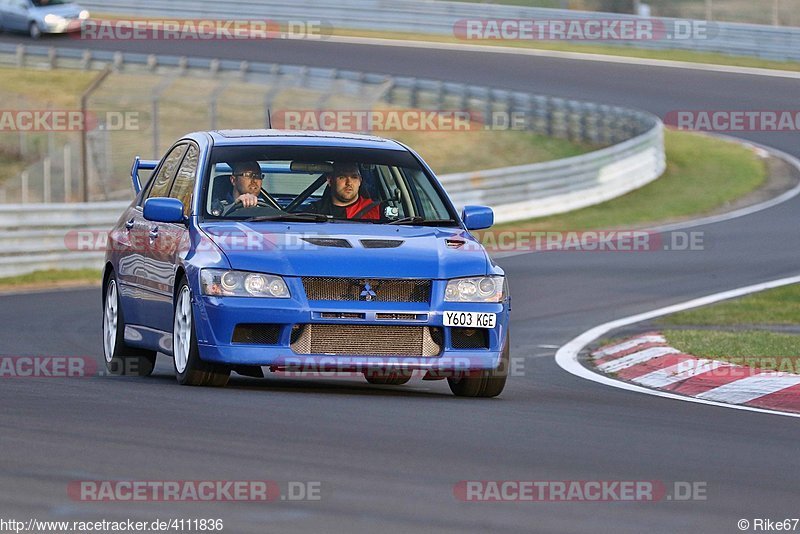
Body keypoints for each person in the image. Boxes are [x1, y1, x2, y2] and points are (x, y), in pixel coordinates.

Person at [307, 162, 381, 220]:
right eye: (342, 177)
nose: (349, 183)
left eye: (354, 177)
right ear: (330, 181)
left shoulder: (377, 210)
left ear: (360, 181)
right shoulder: (314, 212)